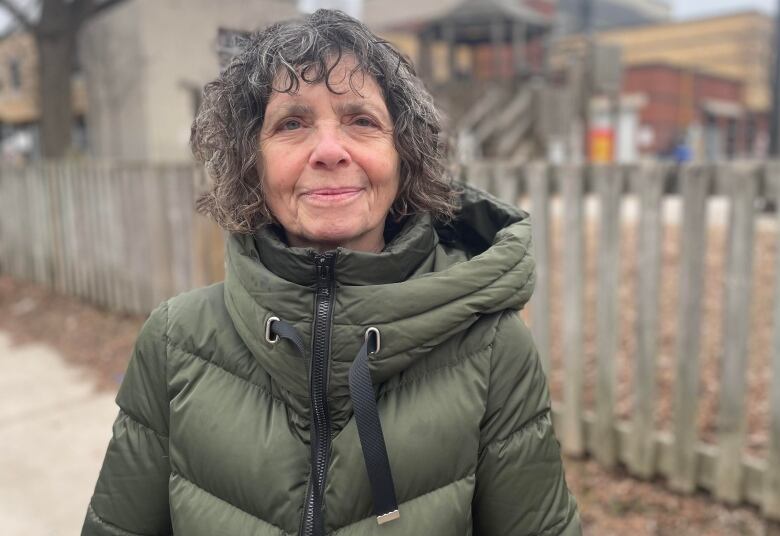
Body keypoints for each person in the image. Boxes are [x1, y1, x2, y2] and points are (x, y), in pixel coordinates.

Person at [82, 9, 580, 536]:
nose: (328, 151)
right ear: (251, 161)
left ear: (403, 154)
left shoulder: (493, 349)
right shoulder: (172, 343)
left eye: (361, 120)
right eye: (291, 123)